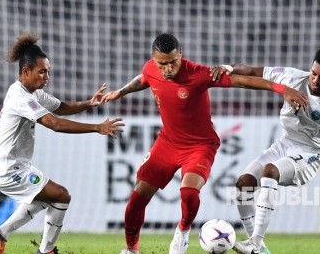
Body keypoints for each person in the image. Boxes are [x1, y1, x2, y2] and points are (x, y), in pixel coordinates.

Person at [102, 33, 308, 254]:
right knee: (136, 200)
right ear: (154, 59)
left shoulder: (199, 74)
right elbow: (142, 79)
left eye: (173, 62)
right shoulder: (151, 68)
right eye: (162, 64)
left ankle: (182, 231)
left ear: (180, 54)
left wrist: (282, 89)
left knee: (188, 193)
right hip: (167, 143)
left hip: (200, 146)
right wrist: (120, 92)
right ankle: (132, 250)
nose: (168, 69)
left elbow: (244, 80)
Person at [0, 33, 124, 254]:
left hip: (15, 165)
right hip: (6, 169)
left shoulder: (34, 93)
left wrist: (89, 103)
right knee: (61, 195)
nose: (46, 76)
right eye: (42, 71)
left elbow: (60, 107)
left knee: (49, 198)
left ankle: (0, 234)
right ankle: (47, 250)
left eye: (48, 71)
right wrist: (97, 127)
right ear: (25, 72)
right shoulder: (20, 98)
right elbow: (55, 124)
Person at [211, 47, 320, 254]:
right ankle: (258, 248)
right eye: (314, 73)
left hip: (310, 154)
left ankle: (256, 242)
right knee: (243, 184)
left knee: (270, 171)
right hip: (284, 144)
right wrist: (228, 67)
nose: (315, 80)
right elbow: (252, 71)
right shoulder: (292, 77)